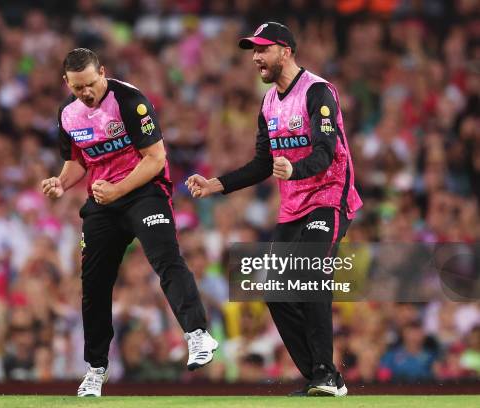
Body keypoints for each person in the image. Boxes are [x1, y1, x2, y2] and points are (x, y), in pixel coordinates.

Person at [186, 22, 362, 397]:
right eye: (253, 51)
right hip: (294, 207)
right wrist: (216, 185)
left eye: (263, 50)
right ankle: (319, 375)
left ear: (286, 51)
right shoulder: (268, 103)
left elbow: (327, 150)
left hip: (330, 199)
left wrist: (295, 169)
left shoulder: (318, 92)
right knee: (275, 290)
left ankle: (327, 375)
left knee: (308, 274)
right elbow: (263, 163)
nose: (256, 58)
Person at [42, 48, 218, 397]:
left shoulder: (131, 102)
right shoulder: (67, 115)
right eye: (78, 88)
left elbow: (155, 159)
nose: (87, 93)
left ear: (103, 72)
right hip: (103, 202)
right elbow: (79, 161)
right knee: (94, 283)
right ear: (67, 83)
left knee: (165, 258)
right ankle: (96, 368)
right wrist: (61, 182)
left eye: (91, 84)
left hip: (143, 191)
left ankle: (197, 335)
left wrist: (118, 190)